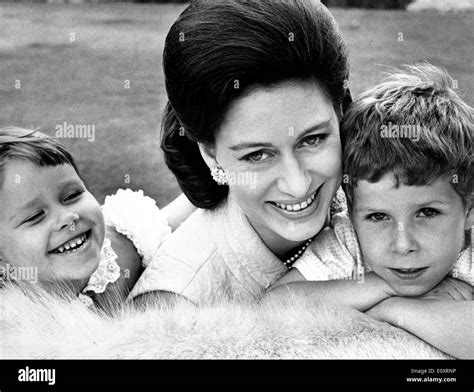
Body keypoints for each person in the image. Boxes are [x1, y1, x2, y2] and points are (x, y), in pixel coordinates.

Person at [130, 0, 352, 305]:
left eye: (312, 140)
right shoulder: (179, 305)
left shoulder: (380, 196)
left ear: (340, 113)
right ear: (210, 155)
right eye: (257, 156)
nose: (298, 184)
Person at [268, 64, 473, 358]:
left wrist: (396, 310)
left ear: (470, 208)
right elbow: (274, 305)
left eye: (427, 213)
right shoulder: (348, 242)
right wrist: (386, 289)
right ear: (351, 213)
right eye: (378, 216)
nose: (403, 245)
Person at [0, 127, 191, 312]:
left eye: (72, 195)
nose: (68, 218)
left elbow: (177, 217)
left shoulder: (122, 244)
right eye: (35, 216)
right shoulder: (12, 319)